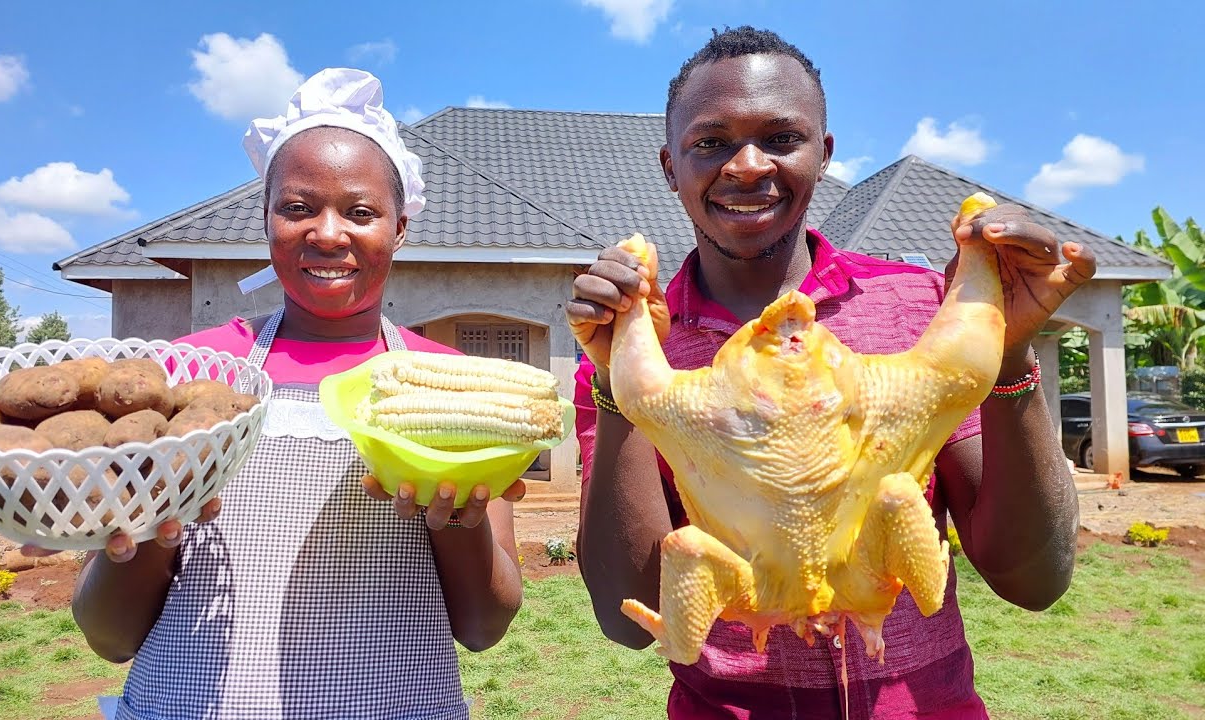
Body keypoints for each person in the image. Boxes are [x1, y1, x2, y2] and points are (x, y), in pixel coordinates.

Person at [566, 27, 1095, 719]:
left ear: (824, 154)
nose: (747, 165)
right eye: (711, 142)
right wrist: (615, 383)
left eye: (782, 138)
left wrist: (1009, 355)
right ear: (671, 166)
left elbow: (1033, 579)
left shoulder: (917, 314)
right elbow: (623, 616)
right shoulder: (635, 352)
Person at [56, 68, 524, 719]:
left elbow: (484, 628)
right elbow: (107, 636)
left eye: (360, 212)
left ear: (401, 227)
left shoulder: (455, 382)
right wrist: (155, 525)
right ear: (267, 216)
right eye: (298, 207)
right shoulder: (188, 376)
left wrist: (459, 523)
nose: (327, 233)